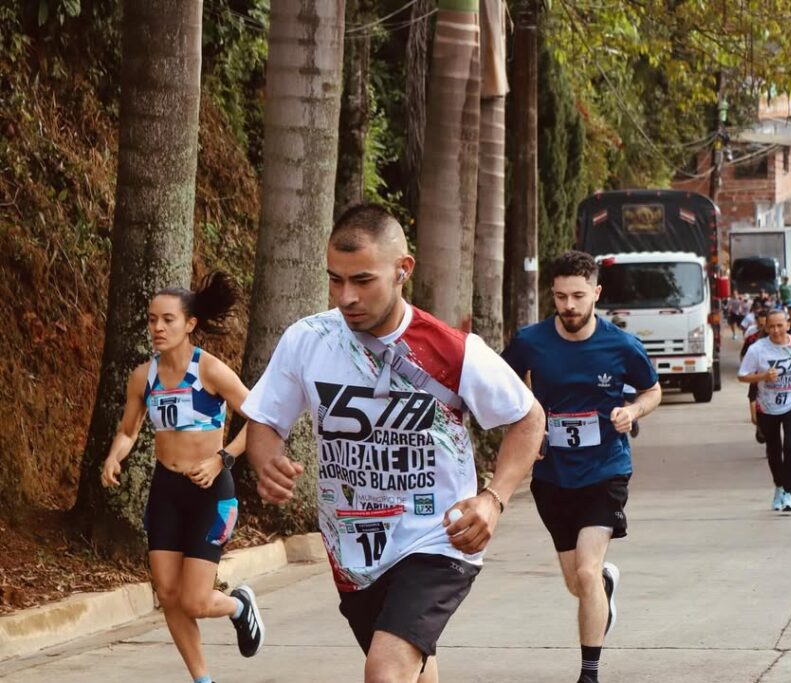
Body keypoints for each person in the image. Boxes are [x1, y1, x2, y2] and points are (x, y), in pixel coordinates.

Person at [241, 204, 546, 683]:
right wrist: (266, 460)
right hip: (352, 546)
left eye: (362, 280)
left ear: (403, 271)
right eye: (335, 280)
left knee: (385, 670)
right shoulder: (308, 340)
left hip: (438, 537)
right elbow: (265, 419)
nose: (346, 297)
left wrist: (493, 498)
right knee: (412, 664)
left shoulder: (453, 350)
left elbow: (528, 417)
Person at [502, 250, 662, 683]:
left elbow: (653, 391)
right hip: (553, 477)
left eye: (577, 296)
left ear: (596, 292)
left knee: (587, 571)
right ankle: (605, 586)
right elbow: (505, 386)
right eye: (560, 297)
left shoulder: (621, 345)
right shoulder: (530, 341)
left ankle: (589, 674)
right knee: (580, 584)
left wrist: (633, 411)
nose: (569, 306)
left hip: (605, 470)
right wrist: (527, 425)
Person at [100, 273, 260, 683]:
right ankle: (202, 680)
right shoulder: (144, 376)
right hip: (166, 491)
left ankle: (240, 606)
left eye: (167, 320)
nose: (157, 328)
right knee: (168, 595)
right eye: (152, 319)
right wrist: (114, 457)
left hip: (210, 492)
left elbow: (262, 417)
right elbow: (129, 430)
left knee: (195, 600)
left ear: (189, 324)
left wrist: (222, 458)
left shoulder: (210, 370)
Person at [738, 310, 791, 512]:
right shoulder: (757, 349)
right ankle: (779, 487)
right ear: (765, 327)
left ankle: (789, 494)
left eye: (780, 325)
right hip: (767, 405)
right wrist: (762, 376)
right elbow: (742, 376)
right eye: (771, 326)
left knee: (790, 446)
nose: (776, 330)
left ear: (788, 325)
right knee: (774, 448)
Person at [742, 308, 770, 443]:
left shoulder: (777, 340)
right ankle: (760, 426)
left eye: (766, 325)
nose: (764, 328)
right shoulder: (752, 339)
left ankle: (770, 438)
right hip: (755, 382)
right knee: (754, 418)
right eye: (761, 325)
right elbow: (743, 356)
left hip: (772, 384)